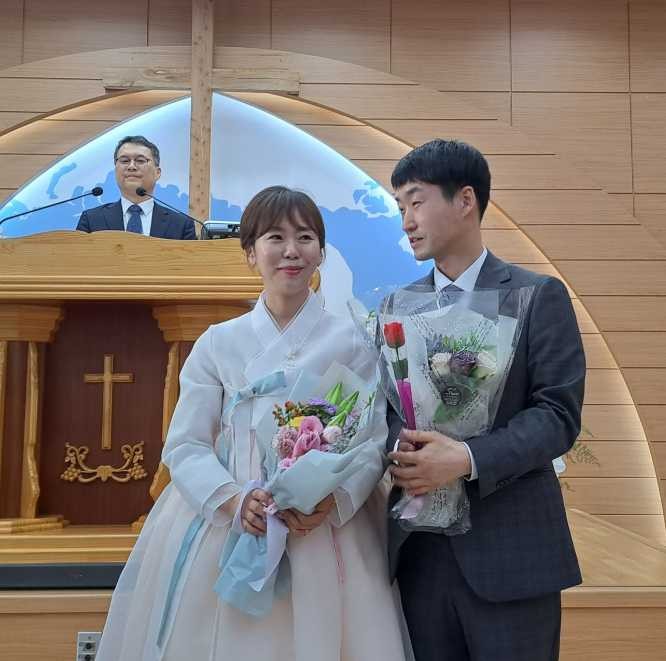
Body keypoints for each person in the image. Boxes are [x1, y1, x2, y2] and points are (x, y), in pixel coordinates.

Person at [96, 186, 407, 661]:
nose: (291, 250)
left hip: (323, 528)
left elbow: (371, 441)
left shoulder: (353, 341)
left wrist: (331, 500)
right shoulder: (218, 342)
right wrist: (235, 500)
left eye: (305, 237)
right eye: (275, 237)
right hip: (235, 521)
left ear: (321, 253)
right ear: (249, 254)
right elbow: (186, 445)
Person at [387, 139, 585, 661]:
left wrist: (466, 458)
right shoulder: (395, 307)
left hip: (512, 553)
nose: (407, 221)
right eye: (400, 207)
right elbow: (385, 411)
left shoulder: (538, 295)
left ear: (465, 200)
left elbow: (557, 415)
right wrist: (402, 451)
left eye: (416, 201)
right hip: (420, 555)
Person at [76, 135, 196, 239]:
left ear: (157, 173)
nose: (131, 166)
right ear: (115, 170)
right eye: (125, 161)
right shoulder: (91, 220)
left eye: (140, 160)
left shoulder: (181, 225)